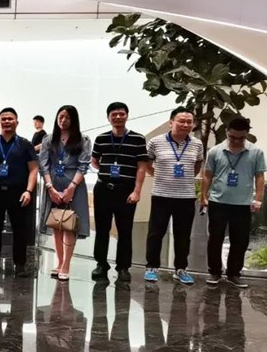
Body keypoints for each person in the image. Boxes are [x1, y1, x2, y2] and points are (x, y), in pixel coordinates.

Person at [201, 116, 266, 288]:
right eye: (232, 137)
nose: (236, 141)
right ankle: (214, 272)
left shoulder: (256, 152)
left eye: (241, 138)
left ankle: (234, 273)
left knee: (240, 240)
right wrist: (203, 196)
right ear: (227, 132)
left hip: (243, 203)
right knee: (215, 238)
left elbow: (260, 176)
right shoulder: (215, 151)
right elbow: (207, 175)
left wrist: (258, 199)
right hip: (218, 201)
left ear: (247, 134)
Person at [144, 107, 204, 284]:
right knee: (156, 233)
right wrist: (159, 175)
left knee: (183, 235)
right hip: (161, 195)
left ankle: (181, 269)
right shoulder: (155, 142)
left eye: (189, 122)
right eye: (181, 121)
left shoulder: (197, 144)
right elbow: (147, 164)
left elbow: (197, 165)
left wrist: (186, 178)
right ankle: (151, 267)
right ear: (171, 122)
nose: (185, 125)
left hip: (186, 196)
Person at [90, 102, 149, 282]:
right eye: (113, 114)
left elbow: (141, 166)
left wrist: (137, 191)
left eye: (121, 114)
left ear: (127, 116)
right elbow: (94, 161)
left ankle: (123, 267)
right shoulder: (101, 138)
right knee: (102, 229)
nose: (117, 117)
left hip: (126, 190)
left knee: (125, 230)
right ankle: (101, 264)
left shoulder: (138, 139)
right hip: (103, 189)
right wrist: (107, 172)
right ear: (108, 118)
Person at [0, 108, 38, 277]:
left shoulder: (25, 144)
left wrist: (28, 191)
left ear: (16, 122)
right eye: (3, 119)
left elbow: (33, 169)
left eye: (10, 119)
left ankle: (20, 264)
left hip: (18, 191)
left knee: (20, 229)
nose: (6, 121)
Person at [39, 105, 91, 281]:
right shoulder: (48, 139)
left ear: (73, 120)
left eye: (67, 117)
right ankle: (59, 261)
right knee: (57, 223)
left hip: (74, 185)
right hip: (52, 184)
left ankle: (66, 264)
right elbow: (43, 164)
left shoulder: (83, 140)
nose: (63, 120)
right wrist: (50, 187)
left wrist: (72, 187)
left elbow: (83, 165)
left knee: (69, 224)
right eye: (60, 116)